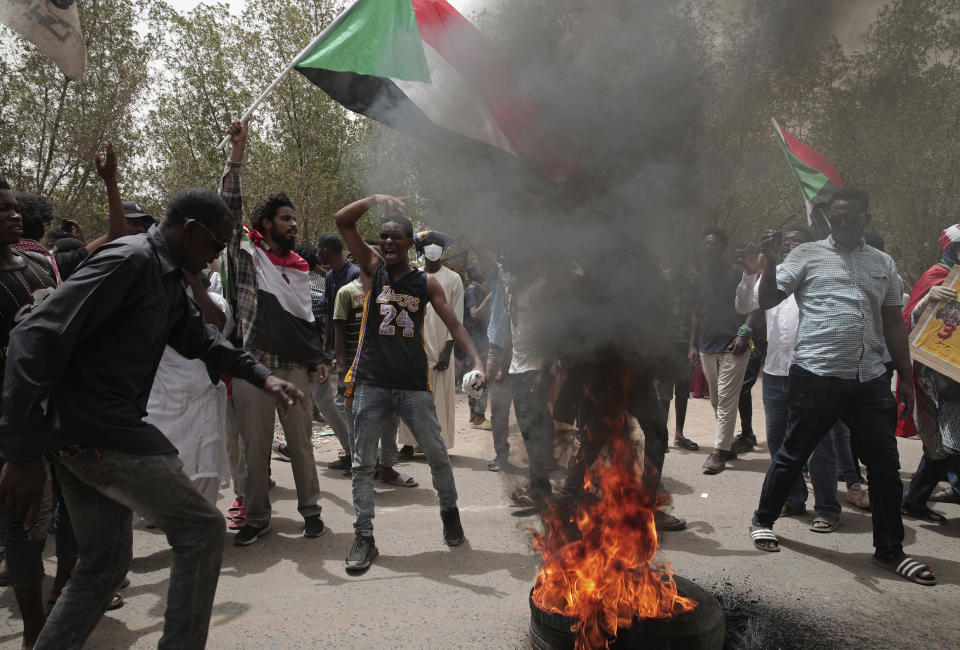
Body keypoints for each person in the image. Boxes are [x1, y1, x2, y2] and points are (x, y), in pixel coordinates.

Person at [0, 181, 306, 648]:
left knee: (103, 566)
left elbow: (201, 339)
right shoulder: (130, 261)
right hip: (100, 429)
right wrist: (20, 454)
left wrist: (263, 376)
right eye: (215, 244)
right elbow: (31, 339)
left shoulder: (166, 275)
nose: (216, 255)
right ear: (189, 230)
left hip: (88, 433)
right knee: (203, 530)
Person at [748, 187, 936, 586]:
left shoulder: (883, 264)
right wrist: (768, 259)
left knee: (884, 465)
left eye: (851, 216)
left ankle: (890, 549)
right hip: (816, 374)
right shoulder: (805, 255)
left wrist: (905, 374)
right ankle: (763, 520)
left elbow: (893, 323)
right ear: (829, 220)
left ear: (866, 217)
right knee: (794, 451)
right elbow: (766, 300)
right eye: (837, 217)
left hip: (869, 378)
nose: (844, 222)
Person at [335, 193, 485, 572]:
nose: (386, 242)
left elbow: (454, 324)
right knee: (362, 463)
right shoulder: (371, 268)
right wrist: (373, 199)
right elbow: (343, 221)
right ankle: (364, 537)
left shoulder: (427, 283)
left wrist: (478, 361)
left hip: (414, 387)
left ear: (409, 244)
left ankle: (450, 514)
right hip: (371, 383)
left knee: (436, 456)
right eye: (382, 237)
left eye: (394, 237)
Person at [218, 120, 328, 546]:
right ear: (266, 224)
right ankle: (257, 518)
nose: (294, 226)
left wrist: (317, 358)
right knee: (254, 448)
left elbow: (306, 322)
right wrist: (237, 155)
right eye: (286, 219)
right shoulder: (247, 256)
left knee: (301, 446)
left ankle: (311, 512)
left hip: (294, 369)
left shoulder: (301, 270)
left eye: (295, 220)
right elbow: (228, 210)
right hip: (253, 366)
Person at [736, 225, 842, 533]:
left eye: (798, 242)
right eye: (786, 243)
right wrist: (749, 273)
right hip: (775, 372)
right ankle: (793, 498)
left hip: (814, 373)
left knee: (819, 445)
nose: (790, 247)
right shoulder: (774, 274)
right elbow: (744, 306)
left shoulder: (824, 273)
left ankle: (827, 507)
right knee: (779, 442)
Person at [144, 269, 234, 504]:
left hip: (201, 397)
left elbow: (218, 325)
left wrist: (194, 282)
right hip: (161, 402)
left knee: (204, 474)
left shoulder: (213, 301)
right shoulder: (151, 295)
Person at [900, 224, 960, 524]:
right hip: (935, 375)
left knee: (949, 441)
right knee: (944, 441)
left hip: (957, 370)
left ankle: (918, 497)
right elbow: (909, 321)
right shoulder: (936, 277)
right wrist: (928, 298)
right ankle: (915, 499)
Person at [690, 228, 760, 474]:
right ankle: (728, 444)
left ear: (723, 247)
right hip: (707, 345)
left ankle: (719, 453)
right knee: (717, 399)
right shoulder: (700, 278)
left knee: (728, 397)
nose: (709, 248)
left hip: (734, 344)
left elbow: (754, 305)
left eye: (714, 244)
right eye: (705, 244)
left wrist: (745, 333)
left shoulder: (736, 272)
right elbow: (697, 313)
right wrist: (693, 344)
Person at [398, 231, 464, 451]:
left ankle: (436, 444)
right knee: (411, 394)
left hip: (442, 346)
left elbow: (457, 317)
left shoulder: (453, 279)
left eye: (437, 244)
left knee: (438, 399)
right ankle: (408, 443)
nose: (433, 247)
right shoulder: (413, 276)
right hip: (414, 344)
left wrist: (448, 349)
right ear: (421, 250)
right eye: (429, 244)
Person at [297, 240, 353, 473]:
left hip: (311, 355)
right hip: (321, 352)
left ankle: (352, 451)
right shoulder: (323, 280)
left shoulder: (302, 286)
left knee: (325, 405)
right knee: (314, 405)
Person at [656, 266, 698, 450]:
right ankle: (661, 436)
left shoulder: (693, 278)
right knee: (663, 394)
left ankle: (679, 435)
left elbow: (695, 314)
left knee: (683, 393)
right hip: (666, 345)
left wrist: (692, 345)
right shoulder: (663, 279)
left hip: (685, 346)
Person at [464, 265, 492, 428]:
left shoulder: (479, 289)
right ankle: (477, 417)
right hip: (476, 342)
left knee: (478, 378)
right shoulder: (473, 290)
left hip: (481, 340)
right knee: (478, 378)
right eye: (483, 269)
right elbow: (474, 314)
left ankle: (476, 416)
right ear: (475, 273)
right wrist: (488, 298)